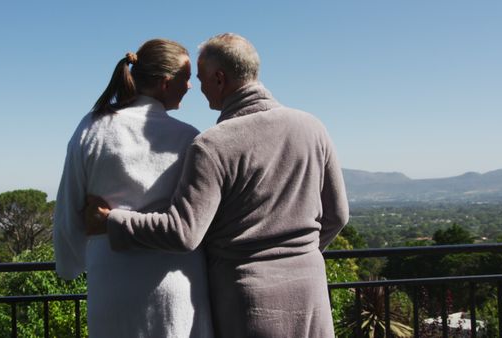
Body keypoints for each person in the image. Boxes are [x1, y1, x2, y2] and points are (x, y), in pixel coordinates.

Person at [85, 33, 349, 338]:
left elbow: (183, 232)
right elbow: (337, 216)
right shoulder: (312, 128)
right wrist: (300, 259)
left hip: (249, 301)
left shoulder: (214, 144)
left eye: (201, 79)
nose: (197, 88)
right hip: (312, 292)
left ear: (220, 78)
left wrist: (112, 221)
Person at [53, 38, 214, 338]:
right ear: (165, 84)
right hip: (174, 287)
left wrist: (69, 265)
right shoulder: (189, 139)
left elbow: (69, 205)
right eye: (186, 78)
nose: (191, 86)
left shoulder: (93, 127)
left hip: (111, 284)